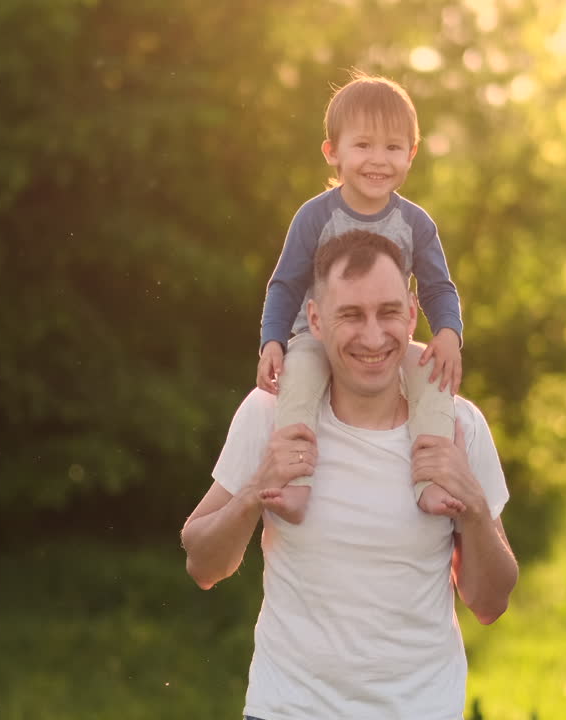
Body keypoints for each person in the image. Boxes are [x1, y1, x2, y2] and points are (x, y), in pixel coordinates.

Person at [182, 230, 519, 720]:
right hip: (288, 709)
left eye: (387, 312)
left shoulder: (457, 425)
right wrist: (256, 490)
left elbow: (490, 603)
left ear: (411, 311)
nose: (373, 336)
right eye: (350, 315)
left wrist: (473, 505)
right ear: (315, 319)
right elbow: (202, 565)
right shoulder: (270, 415)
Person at [257, 71, 464, 525]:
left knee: (432, 378)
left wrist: (448, 332)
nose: (378, 160)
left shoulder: (415, 224)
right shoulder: (315, 218)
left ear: (411, 155)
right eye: (363, 146)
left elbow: (436, 287)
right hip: (318, 339)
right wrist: (272, 341)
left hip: (385, 342)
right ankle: (295, 484)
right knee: (300, 376)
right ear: (333, 152)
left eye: (393, 148)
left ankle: (431, 483)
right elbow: (285, 286)